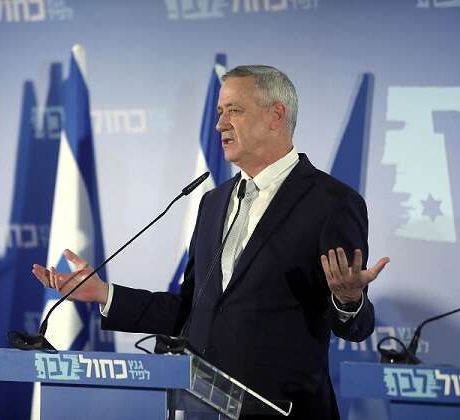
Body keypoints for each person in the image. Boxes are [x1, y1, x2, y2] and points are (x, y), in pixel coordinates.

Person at [32, 65, 389, 419]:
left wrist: (348, 300)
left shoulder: (331, 202)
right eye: (219, 112)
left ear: (276, 115)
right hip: (203, 408)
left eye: (234, 110)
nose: (220, 124)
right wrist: (104, 294)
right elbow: (190, 309)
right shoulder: (213, 202)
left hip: (284, 411)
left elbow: (356, 327)